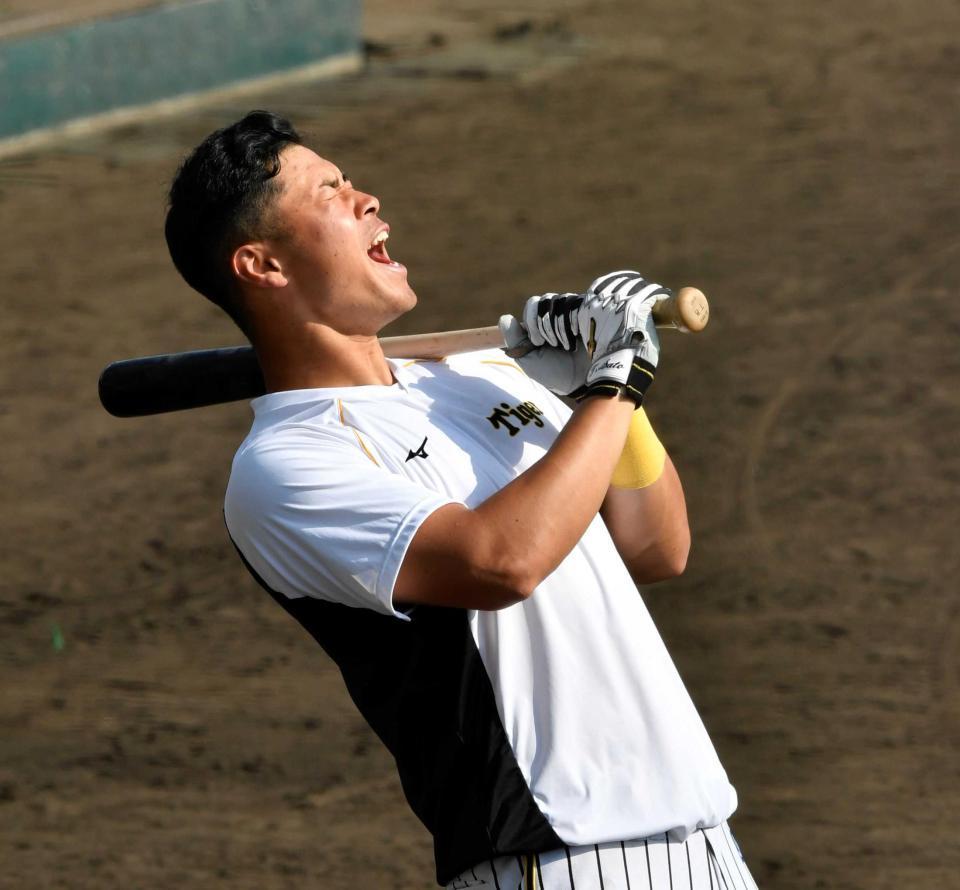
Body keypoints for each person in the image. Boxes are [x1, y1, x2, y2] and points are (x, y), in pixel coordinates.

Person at [164, 110, 759, 890]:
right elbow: (500, 563)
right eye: (330, 193)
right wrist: (617, 382)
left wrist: (605, 399)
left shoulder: (478, 375)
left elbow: (655, 549)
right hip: (553, 857)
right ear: (263, 266)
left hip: (702, 834)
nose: (367, 199)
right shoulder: (287, 466)